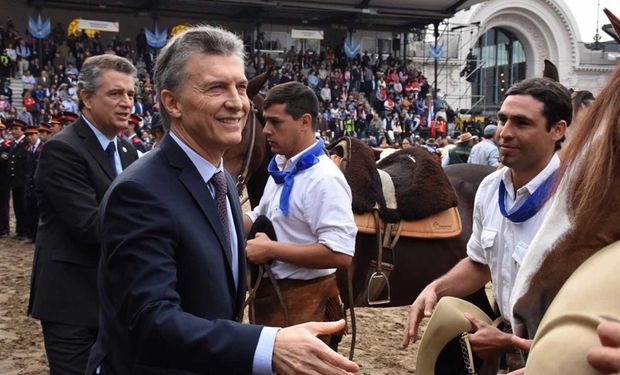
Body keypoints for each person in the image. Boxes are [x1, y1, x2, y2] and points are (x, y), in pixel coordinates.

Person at [86, 26, 359, 375]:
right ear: (172, 103)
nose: (238, 102)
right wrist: (266, 345)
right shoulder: (140, 192)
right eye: (216, 87)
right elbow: (149, 322)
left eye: (241, 87)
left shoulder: (222, 182)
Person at [403, 77, 571, 371]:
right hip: (504, 342)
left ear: (557, 130)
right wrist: (436, 289)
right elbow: (481, 263)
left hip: (557, 355)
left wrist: (510, 343)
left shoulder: (576, 201)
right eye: (502, 120)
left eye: (522, 123)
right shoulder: (490, 189)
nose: (504, 133)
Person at [27, 54, 139, 375]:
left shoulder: (129, 150)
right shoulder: (62, 149)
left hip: (117, 301)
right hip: (73, 303)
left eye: (131, 94)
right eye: (115, 94)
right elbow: (90, 226)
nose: (127, 103)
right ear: (86, 98)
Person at [243, 81, 356, 347]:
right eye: (265, 121)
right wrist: (225, 221)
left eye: (275, 122)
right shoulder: (282, 165)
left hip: (306, 304)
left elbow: (341, 253)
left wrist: (271, 250)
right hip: (275, 300)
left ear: (304, 122)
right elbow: (262, 211)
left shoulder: (325, 179)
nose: (266, 130)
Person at [22, 125, 43, 244]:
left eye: (31, 135)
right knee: (29, 211)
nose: (29, 137)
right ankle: (31, 234)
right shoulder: (29, 149)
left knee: (38, 213)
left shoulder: (43, 148)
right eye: (27, 135)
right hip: (29, 185)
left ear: (37, 134)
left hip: (38, 186)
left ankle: (37, 236)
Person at [8, 119, 28, 240]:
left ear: (22, 131)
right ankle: (20, 230)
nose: (14, 131)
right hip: (15, 181)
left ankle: (25, 230)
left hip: (23, 181)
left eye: (16, 129)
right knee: (17, 206)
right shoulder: (14, 144)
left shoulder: (25, 144)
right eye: (12, 129)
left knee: (24, 207)